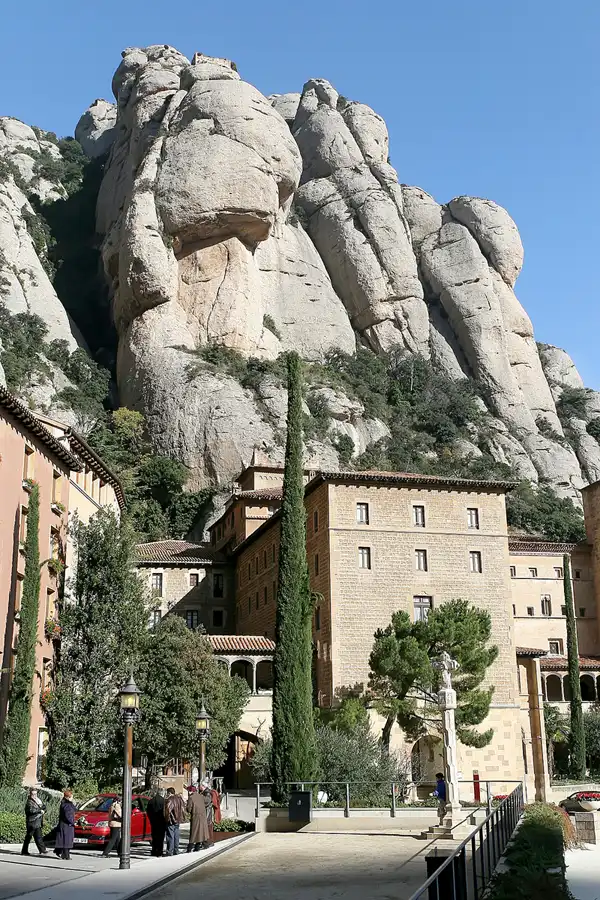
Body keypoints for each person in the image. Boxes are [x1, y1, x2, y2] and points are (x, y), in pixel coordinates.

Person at [21, 788, 48, 856]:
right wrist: (40, 811)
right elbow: (31, 811)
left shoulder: (38, 801)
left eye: (35, 794)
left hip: (37, 821)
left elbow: (44, 807)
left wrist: (43, 810)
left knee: (38, 836)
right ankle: (24, 851)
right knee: (29, 837)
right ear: (30, 794)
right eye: (33, 794)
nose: (34, 796)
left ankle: (42, 850)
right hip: (32, 822)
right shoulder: (29, 802)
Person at [186, 786, 210, 852]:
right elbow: (208, 801)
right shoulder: (201, 796)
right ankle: (197, 847)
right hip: (202, 816)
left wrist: (187, 808)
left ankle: (189, 848)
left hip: (195, 817)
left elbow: (189, 809)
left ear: (190, 791)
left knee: (194, 833)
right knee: (200, 832)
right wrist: (204, 806)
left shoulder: (191, 797)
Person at [54, 790, 76, 860]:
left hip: (64, 824)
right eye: (71, 797)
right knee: (67, 841)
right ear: (68, 797)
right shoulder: (67, 805)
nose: (72, 798)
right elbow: (68, 815)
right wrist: (73, 822)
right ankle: (66, 855)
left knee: (64, 840)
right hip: (67, 825)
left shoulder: (64, 803)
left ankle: (63, 854)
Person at [164, 787, 185, 856]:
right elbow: (183, 809)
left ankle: (170, 851)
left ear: (169, 793)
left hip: (171, 821)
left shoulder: (170, 800)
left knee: (170, 836)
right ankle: (176, 850)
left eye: (167, 793)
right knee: (176, 835)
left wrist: (166, 819)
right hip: (178, 820)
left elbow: (168, 810)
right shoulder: (179, 799)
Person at [147, 788, 166, 857]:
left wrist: (151, 819)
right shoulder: (163, 801)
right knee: (161, 837)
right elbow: (165, 811)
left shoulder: (151, 801)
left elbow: (148, 811)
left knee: (154, 836)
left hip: (153, 821)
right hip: (161, 821)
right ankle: (159, 851)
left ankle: (154, 850)